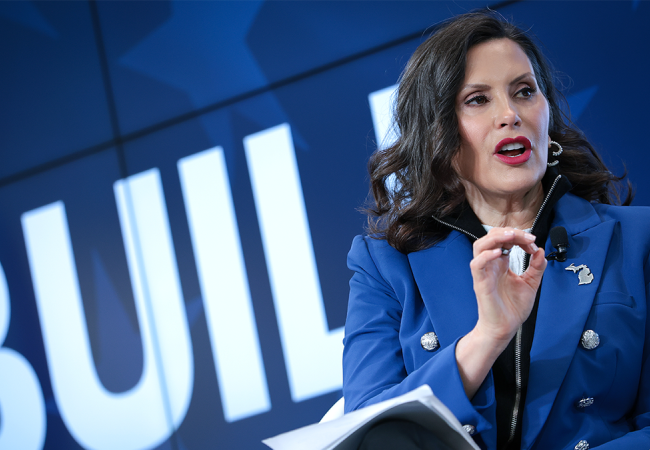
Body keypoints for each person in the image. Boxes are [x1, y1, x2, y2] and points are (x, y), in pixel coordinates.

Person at [342, 11, 650, 450]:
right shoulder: (385, 265)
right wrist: (487, 336)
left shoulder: (638, 240)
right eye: (477, 99)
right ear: (437, 134)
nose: (510, 114)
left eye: (524, 91)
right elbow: (367, 433)